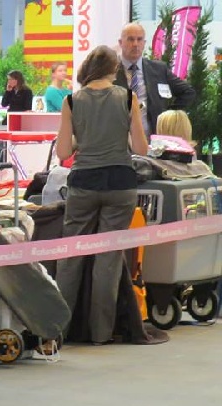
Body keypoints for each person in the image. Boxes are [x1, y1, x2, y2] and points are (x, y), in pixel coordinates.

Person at [54, 45, 148, 346]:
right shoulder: (129, 98)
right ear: (114, 70)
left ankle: (59, 330)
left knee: (71, 257)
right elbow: (141, 149)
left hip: (83, 183)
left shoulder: (71, 100)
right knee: (107, 259)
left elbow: (64, 152)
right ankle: (100, 333)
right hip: (120, 184)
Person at [113, 22, 195, 139]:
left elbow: (188, 92)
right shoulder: (110, 71)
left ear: (144, 43)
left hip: (154, 142)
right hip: (120, 141)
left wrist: (167, 115)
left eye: (139, 39)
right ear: (121, 43)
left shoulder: (158, 69)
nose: (135, 44)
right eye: (130, 39)